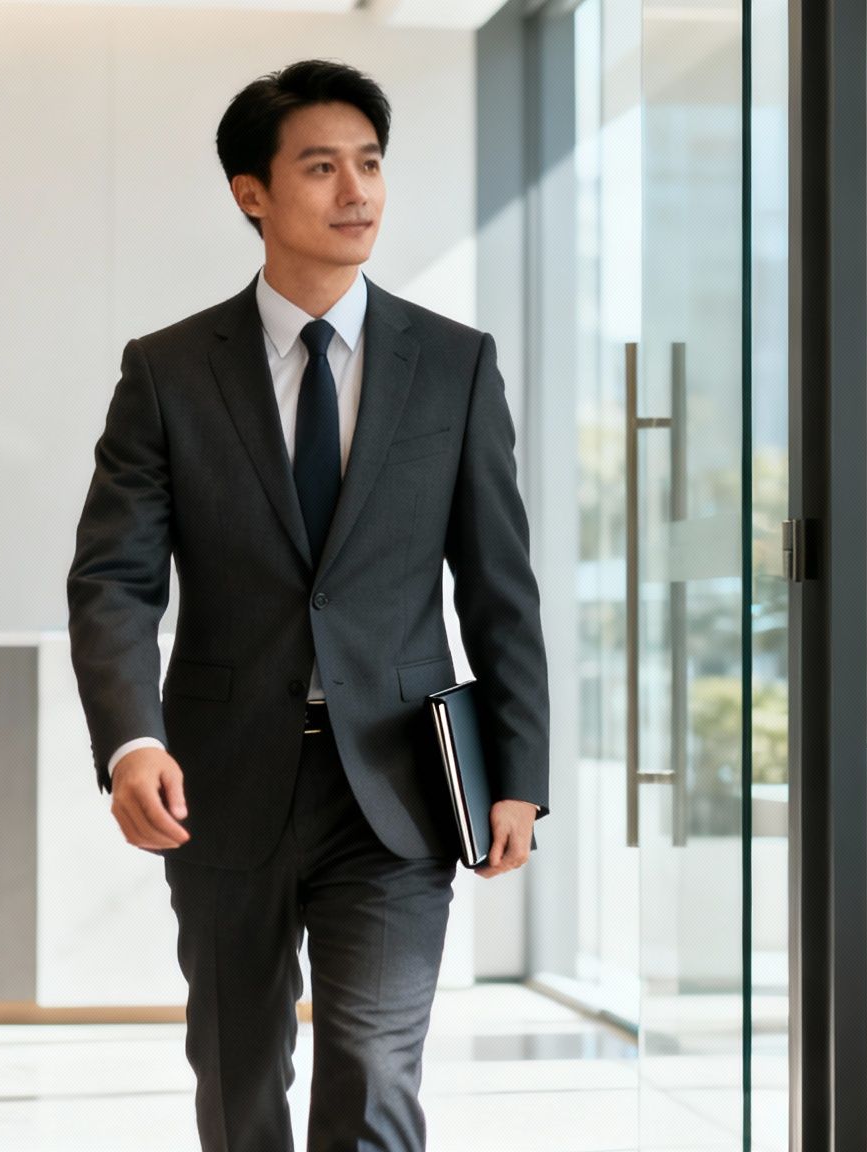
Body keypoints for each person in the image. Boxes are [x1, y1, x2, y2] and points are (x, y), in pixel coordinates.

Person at [66, 59, 549, 1152]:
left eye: (370, 163)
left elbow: (497, 584)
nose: (357, 192)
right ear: (252, 193)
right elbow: (115, 578)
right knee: (239, 1071)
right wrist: (131, 741)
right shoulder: (169, 372)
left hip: (399, 778)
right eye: (321, 167)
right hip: (220, 778)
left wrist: (517, 775)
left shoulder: (454, 366)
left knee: (373, 1067)